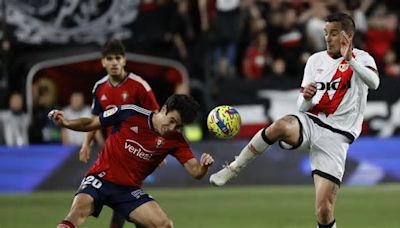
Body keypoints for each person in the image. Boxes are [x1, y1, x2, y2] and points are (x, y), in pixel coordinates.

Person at [210, 12, 379, 228]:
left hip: (337, 138)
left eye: (334, 33)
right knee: (280, 126)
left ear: (349, 35)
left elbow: (374, 83)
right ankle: (233, 168)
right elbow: (301, 106)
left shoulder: (363, 59)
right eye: (326, 33)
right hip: (311, 123)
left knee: (324, 211)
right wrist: (307, 98)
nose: (328, 38)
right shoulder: (315, 61)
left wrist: (350, 61)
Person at [50, 94, 214, 228]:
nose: (172, 128)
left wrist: (204, 166)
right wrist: (65, 123)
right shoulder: (130, 113)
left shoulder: (176, 140)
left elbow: (195, 171)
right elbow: (92, 122)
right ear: (163, 109)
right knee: (76, 214)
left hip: (128, 191)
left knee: (165, 225)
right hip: (99, 178)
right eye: (171, 120)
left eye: (178, 126)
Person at [80, 38, 160, 227]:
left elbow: (157, 118)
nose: (114, 62)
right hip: (112, 151)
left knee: (126, 198)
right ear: (103, 62)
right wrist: (86, 144)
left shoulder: (139, 85)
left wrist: (158, 147)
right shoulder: (99, 88)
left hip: (136, 151)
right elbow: (94, 119)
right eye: (109, 58)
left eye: (118, 58)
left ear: (124, 60)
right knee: (128, 201)